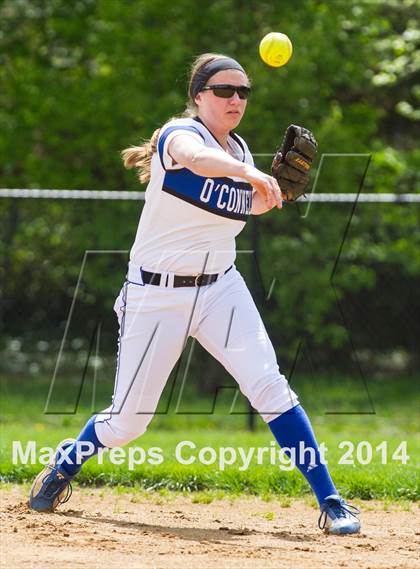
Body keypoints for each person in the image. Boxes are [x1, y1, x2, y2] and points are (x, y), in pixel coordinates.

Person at [29, 53, 360, 535]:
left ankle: (332, 502)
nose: (235, 100)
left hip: (220, 288)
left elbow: (239, 208)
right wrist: (250, 175)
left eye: (243, 91)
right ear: (198, 96)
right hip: (155, 295)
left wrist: (272, 197)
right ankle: (65, 462)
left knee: (269, 385)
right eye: (224, 90)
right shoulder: (178, 136)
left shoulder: (241, 151)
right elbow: (197, 160)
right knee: (127, 423)